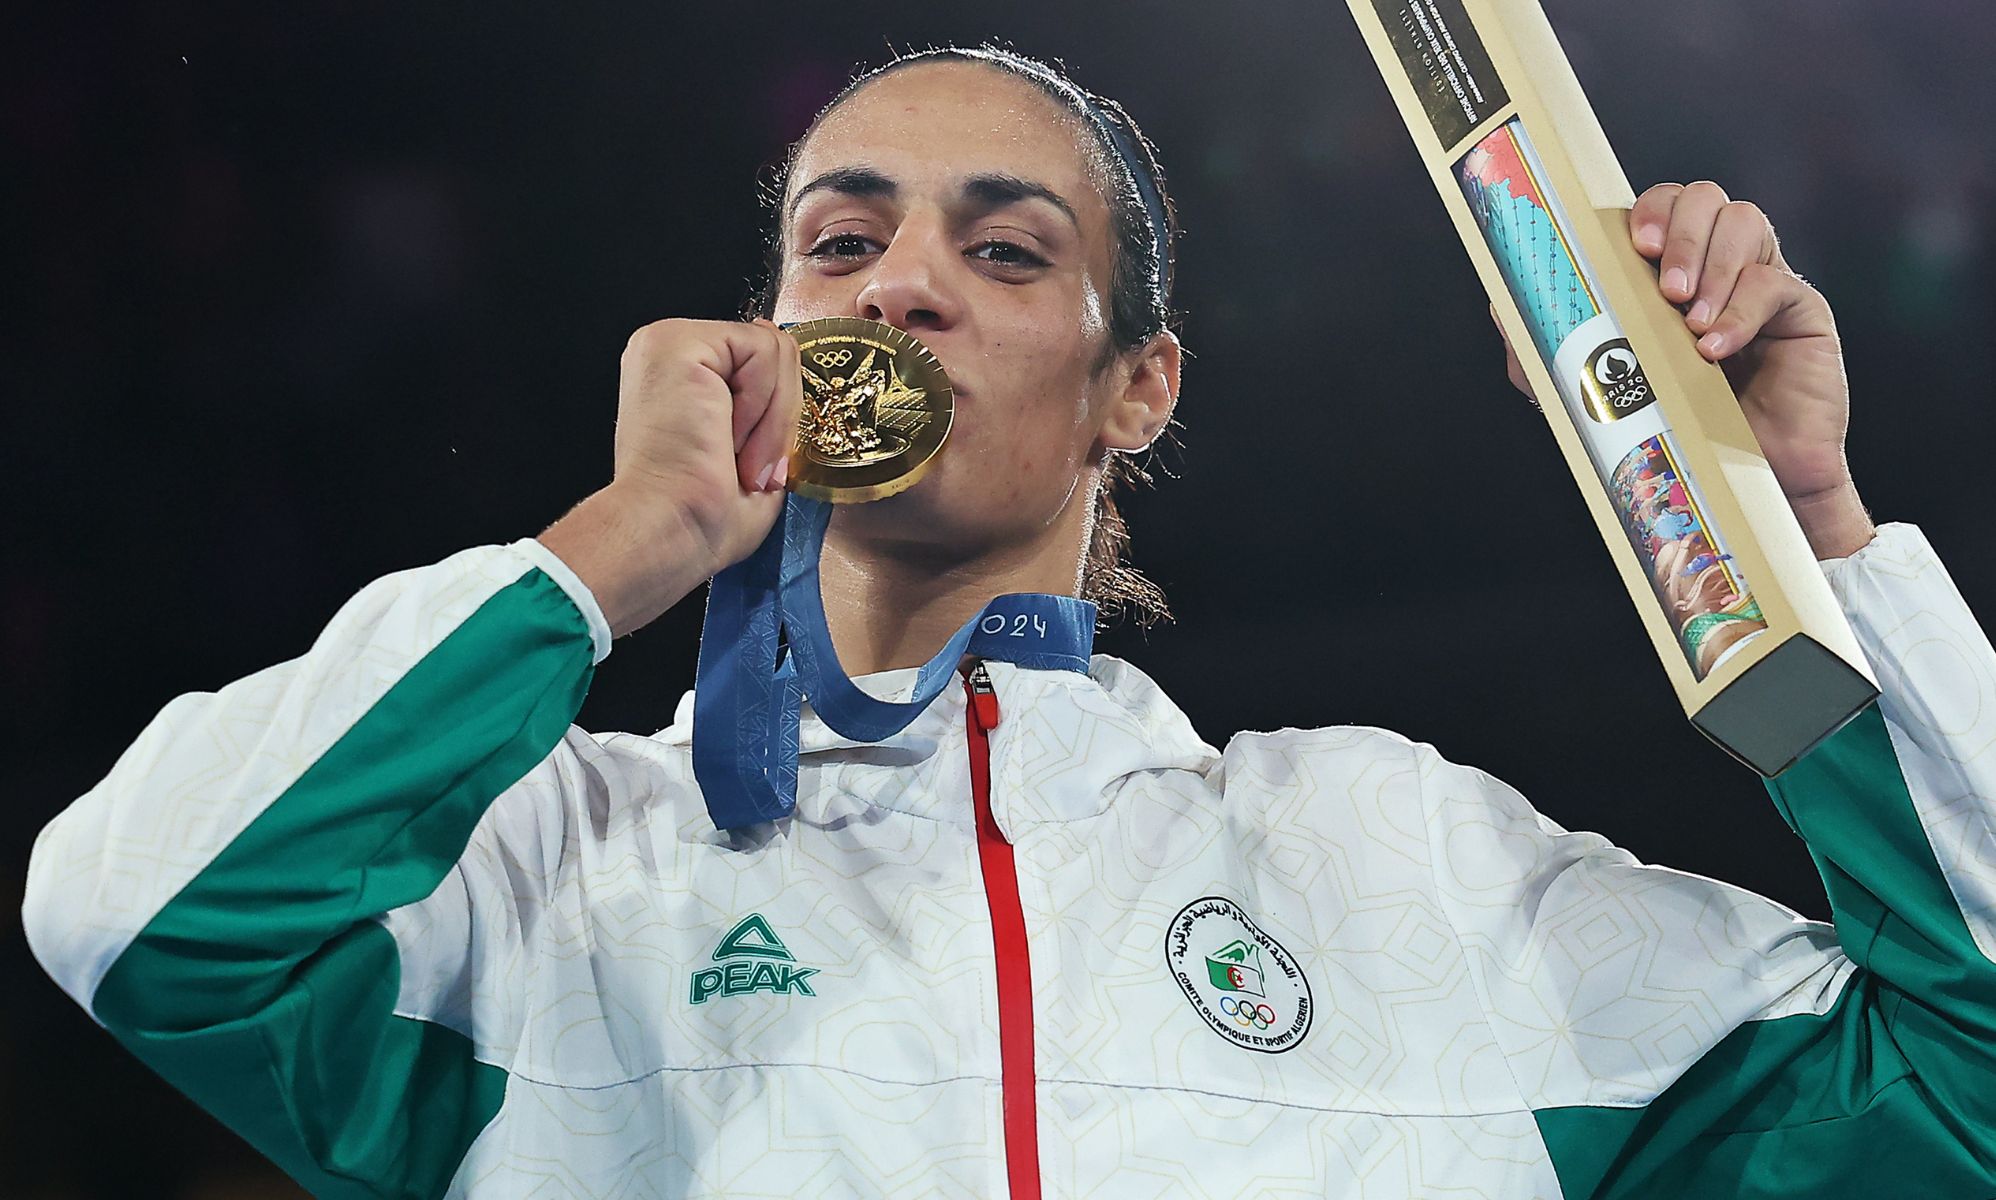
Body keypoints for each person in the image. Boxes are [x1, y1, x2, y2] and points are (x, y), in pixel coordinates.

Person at [22, 44, 1996, 1200]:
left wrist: (1789, 523)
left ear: (1133, 389)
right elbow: (137, 916)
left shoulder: (1398, 862)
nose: (899, 290)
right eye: (840, 238)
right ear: (767, 333)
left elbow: (1966, 1080)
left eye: (1001, 246)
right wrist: (613, 551)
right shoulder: (564, 873)